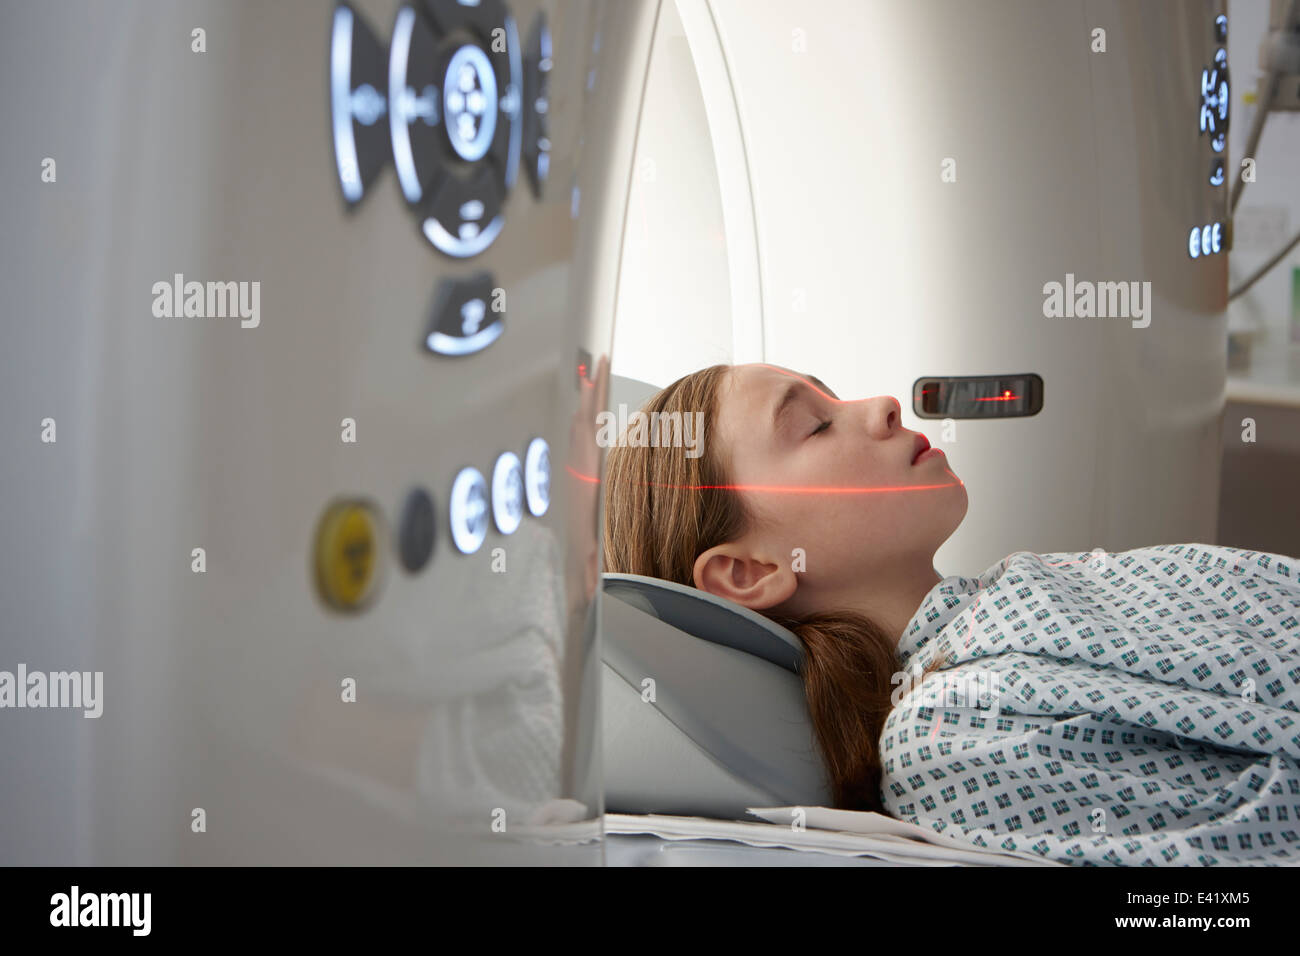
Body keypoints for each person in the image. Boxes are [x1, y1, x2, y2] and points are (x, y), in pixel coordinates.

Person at [601, 362, 1300, 865]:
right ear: (750, 572)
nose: (882, 406)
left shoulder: (1022, 588)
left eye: (833, 396)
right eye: (815, 426)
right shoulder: (944, 735)